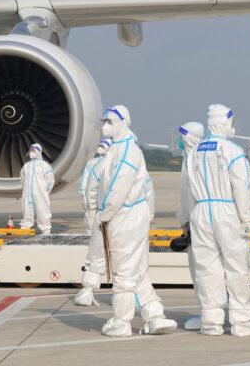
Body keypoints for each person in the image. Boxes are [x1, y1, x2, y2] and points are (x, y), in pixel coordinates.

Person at [97, 105, 177, 337]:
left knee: (123, 271)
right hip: (129, 216)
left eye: (110, 121)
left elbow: (118, 187)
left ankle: (121, 321)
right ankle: (154, 314)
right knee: (137, 270)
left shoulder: (128, 152)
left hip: (125, 216)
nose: (106, 126)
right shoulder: (117, 149)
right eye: (105, 121)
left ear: (123, 122)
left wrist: (105, 213)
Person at [186, 104, 250, 337]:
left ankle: (211, 321)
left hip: (200, 211)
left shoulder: (194, 151)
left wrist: (190, 216)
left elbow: (187, 189)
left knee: (207, 268)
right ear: (225, 122)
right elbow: (241, 186)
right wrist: (246, 217)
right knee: (236, 266)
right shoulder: (233, 150)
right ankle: (240, 322)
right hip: (227, 211)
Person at [170, 122, 205, 330]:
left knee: (201, 270)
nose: (179, 141)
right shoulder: (191, 159)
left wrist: (185, 220)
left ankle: (208, 313)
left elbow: (188, 196)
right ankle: (209, 311)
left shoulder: (193, 160)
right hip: (200, 219)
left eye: (182, 137)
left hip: (197, 220)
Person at [74, 139, 111, 306]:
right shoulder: (95, 164)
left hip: (105, 213)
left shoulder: (103, 165)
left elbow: (92, 188)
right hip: (110, 213)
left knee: (98, 253)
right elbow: (87, 184)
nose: (100, 148)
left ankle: (88, 290)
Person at [79, 139, 112, 236]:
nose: (99, 148)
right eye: (100, 146)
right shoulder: (91, 162)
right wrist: (84, 195)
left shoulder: (111, 163)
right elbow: (85, 179)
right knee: (91, 215)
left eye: (103, 147)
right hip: (92, 195)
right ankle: (90, 234)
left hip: (105, 195)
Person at [20, 143, 54, 234]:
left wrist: (45, 191)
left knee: (43, 211)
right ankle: (25, 227)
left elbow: (50, 180)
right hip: (28, 194)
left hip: (40, 193)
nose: (31, 152)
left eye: (33, 151)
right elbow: (22, 180)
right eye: (31, 151)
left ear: (39, 152)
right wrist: (25, 189)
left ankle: (46, 229)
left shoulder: (45, 166)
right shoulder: (26, 166)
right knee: (27, 211)